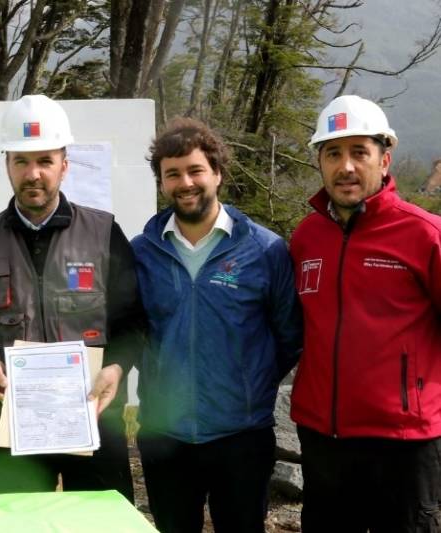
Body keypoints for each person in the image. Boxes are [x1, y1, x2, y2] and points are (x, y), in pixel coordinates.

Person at [0, 94, 144, 501]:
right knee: (23, 525)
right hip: (16, 421)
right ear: (7, 164)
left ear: (64, 164)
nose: (33, 174)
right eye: (21, 161)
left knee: (101, 528)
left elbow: (133, 321)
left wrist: (116, 369)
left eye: (45, 161)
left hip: (94, 416)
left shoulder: (104, 233)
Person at [130, 118, 301, 533]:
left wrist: (246, 385)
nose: (185, 182)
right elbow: (134, 333)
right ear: (161, 183)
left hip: (241, 435)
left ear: (217, 173)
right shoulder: (141, 253)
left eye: (195, 170)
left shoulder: (265, 249)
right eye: (173, 174)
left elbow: (288, 337)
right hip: (163, 434)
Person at [290, 95, 441, 531]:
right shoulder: (307, 237)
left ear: (384, 159)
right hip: (324, 438)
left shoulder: (423, 234)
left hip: (404, 442)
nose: (347, 166)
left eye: (360, 152)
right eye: (333, 153)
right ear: (320, 162)